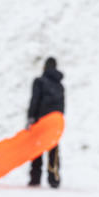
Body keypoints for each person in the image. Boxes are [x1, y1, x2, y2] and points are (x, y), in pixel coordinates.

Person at [27, 57, 64, 188]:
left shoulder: (39, 82)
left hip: (42, 120)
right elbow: (61, 105)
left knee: (37, 148)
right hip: (55, 121)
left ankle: (35, 178)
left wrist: (31, 117)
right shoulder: (59, 85)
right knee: (53, 150)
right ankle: (54, 179)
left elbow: (35, 100)